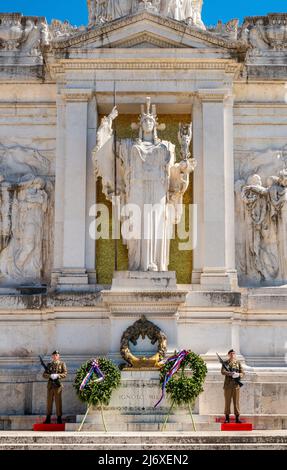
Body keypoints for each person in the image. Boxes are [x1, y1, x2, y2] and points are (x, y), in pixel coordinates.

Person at [43, 350, 67, 424]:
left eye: (56, 355)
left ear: (58, 356)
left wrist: (58, 375)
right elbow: (44, 374)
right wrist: (50, 375)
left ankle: (59, 418)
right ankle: (48, 418)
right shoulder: (49, 364)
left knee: (58, 402)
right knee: (49, 402)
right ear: (52, 356)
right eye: (54, 355)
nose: (55, 356)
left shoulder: (62, 364)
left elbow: (65, 373)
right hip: (50, 385)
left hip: (57, 385)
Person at [221, 349, 244, 423]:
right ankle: (227, 418)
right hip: (228, 386)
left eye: (233, 353)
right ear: (228, 355)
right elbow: (223, 371)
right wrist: (230, 374)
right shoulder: (225, 363)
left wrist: (238, 375)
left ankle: (237, 418)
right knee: (227, 402)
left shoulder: (237, 363)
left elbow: (242, 372)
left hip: (236, 386)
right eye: (231, 353)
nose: (232, 355)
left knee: (236, 402)